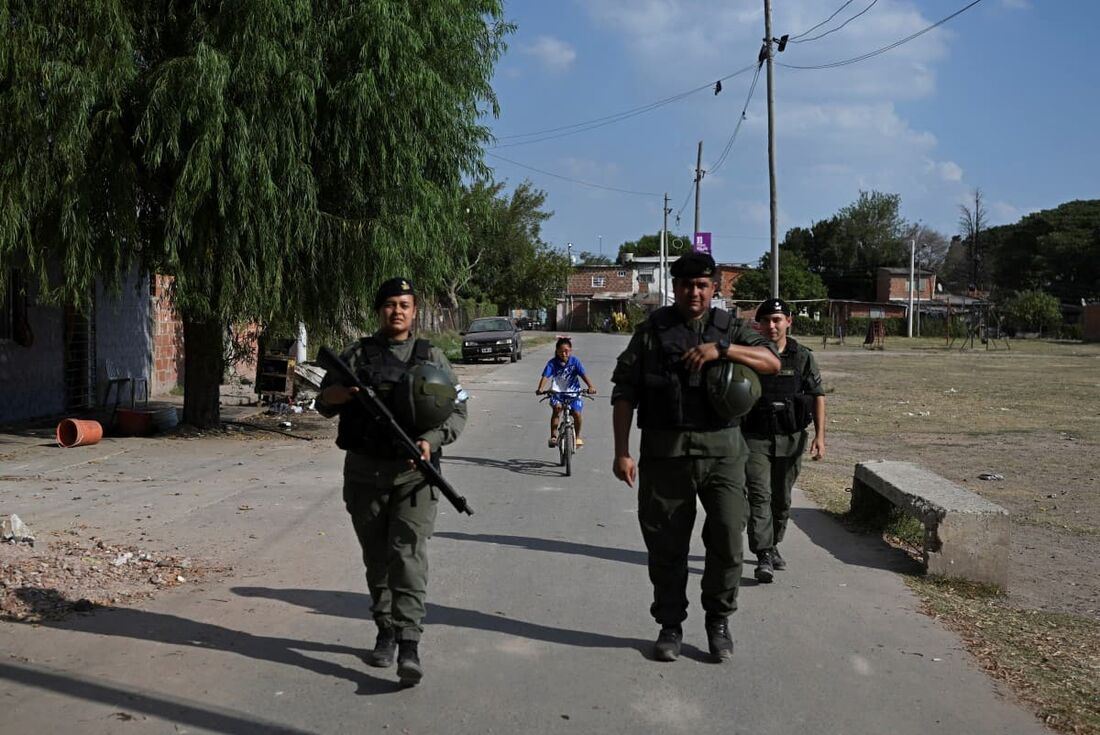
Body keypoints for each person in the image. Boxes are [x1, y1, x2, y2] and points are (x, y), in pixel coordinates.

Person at [610, 252, 780, 663]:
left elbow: (771, 362)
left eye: (703, 285)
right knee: (666, 546)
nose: (695, 292)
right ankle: (670, 625)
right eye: (687, 284)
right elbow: (624, 392)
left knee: (726, 538)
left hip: (723, 454)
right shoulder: (651, 332)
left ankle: (718, 622)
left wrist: (722, 351)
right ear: (676, 286)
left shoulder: (731, 328)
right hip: (665, 455)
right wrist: (621, 452)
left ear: (714, 288)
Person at [315, 277, 467, 687]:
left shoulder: (432, 356)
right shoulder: (357, 354)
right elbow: (321, 402)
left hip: (415, 475)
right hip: (365, 473)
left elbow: (458, 411)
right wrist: (339, 395)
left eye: (405, 304)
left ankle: (410, 642)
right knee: (377, 558)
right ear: (379, 310)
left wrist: (430, 441)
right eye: (389, 304)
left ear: (415, 311)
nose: (397, 311)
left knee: (408, 555)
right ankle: (384, 629)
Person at [742, 298, 826, 582]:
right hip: (754, 438)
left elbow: (817, 396)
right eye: (766, 320)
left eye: (777, 319)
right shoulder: (749, 354)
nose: (772, 325)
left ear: (789, 321)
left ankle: (773, 542)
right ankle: (763, 553)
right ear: (758, 324)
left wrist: (820, 437)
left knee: (782, 499)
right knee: (759, 496)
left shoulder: (802, 356)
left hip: (791, 438)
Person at [536, 336, 597, 448]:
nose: (564, 354)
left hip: (573, 393)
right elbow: (545, 376)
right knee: (557, 409)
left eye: (566, 351)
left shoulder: (575, 362)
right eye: (561, 351)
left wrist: (590, 386)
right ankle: (553, 436)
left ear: (571, 351)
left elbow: (583, 375)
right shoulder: (552, 363)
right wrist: (540, 388)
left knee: (577, 413)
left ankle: (577, 437)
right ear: (557, 351)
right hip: (557, 393)